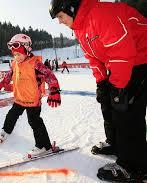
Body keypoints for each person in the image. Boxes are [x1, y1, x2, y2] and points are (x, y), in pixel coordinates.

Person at [49, 0, 147, 182]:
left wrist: (119, 88)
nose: (60, 21)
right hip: (123, 61)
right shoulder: (80, 28)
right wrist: (102, 82)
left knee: (126, 110)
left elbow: (121, 50)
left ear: (71, 7)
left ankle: (135, 166)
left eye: (61, 16)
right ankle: (115, 143)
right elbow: (93, 58)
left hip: (140, 58)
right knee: (108, 102)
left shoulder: (100, 14)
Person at [0, 33, 61, 157]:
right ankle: (6, 131)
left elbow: (49, 76)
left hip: (32, 100)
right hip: (19, 98)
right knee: (11, 115)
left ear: (27, 49)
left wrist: (54, 91)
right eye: (14, 54)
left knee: (35, 122)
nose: (16, 57)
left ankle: (44, 146)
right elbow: (8, 76)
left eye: (18, 54)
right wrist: (0, 85)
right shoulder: (15, 64)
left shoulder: (35, 64)